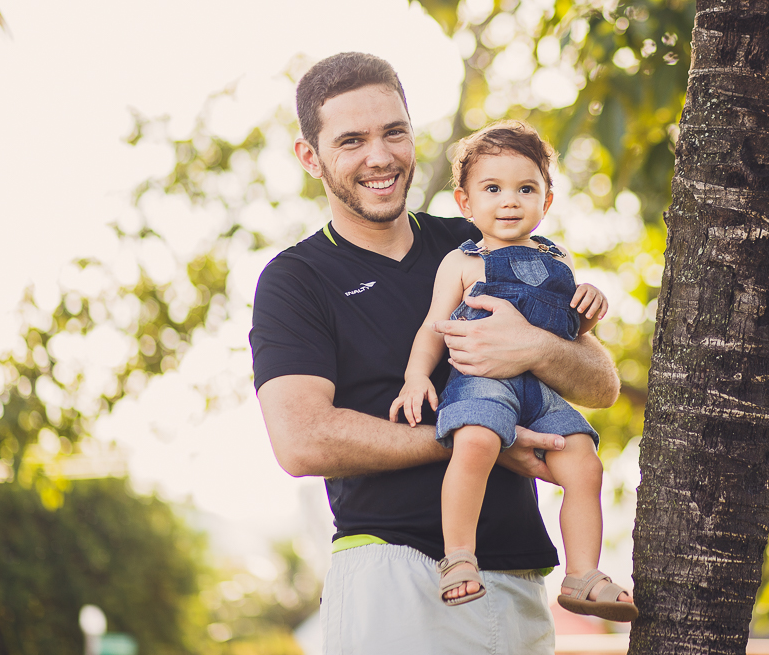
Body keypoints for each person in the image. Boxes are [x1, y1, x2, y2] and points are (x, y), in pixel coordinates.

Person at [250, 52, 621, 655]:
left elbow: (600, 384)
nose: (380, 156)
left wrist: (534, 345)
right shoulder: (297, 279)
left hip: (521, 580)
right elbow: (303, 440)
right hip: (392, 574)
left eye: (394, 131)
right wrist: (483, 436)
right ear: (310, 157)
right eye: (352, 140)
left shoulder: (477, 240)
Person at [389, 121, 639, 622]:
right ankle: (458, 556)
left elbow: (571, 332)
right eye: (493, 189)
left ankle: (582, 574)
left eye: (526, 189)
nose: (509, 201)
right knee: (476, 442)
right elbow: (433, 328)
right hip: (482, 380)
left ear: (546, 202)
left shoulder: (557, 256)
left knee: (584, 462)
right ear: (465, 203)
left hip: (539, 388)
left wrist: (590, 307)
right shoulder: (461, 261)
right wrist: (416, 376)